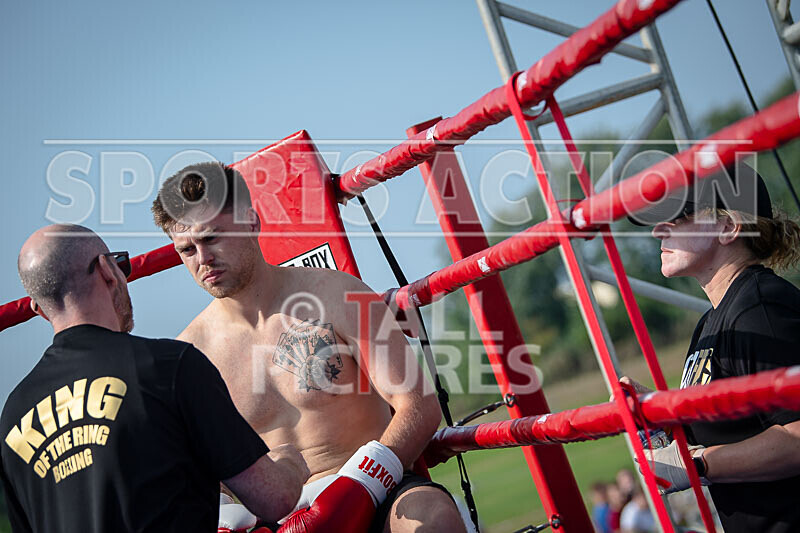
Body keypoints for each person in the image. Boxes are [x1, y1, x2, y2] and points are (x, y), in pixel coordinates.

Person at [151, 162, 466, 533]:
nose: (203, 260)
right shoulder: (189, 354)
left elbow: (418, 404)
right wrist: (222, 515)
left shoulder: (338, 294)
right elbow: (200, 475)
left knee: (432, 518)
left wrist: (362, 487)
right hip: (274, 522)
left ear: (252, 222)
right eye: (187, 249)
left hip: (378, 490)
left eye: (212, 238)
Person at [1, 224, 309, 533]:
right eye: (120, 264)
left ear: (39, 310)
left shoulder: (11, 416)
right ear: (108, 270)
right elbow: (274, 500)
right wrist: (290, 462)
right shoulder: (168, 367)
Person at [622, 161, 800, 532]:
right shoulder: (711, 320)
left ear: (728, 227)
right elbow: (731, 425)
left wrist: (698, 465)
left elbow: (797, 436)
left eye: (678, 218)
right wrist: (659, 414)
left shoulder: (761, 310)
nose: (658, 231)